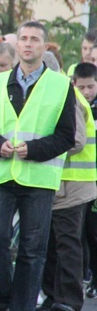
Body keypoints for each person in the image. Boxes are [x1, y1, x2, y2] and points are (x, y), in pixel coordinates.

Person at [0, 20, 76, 311]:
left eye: (35, 39)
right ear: (16, 44)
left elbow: (65, 136)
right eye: (24, 39)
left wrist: (32, 148)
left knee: (33, 247)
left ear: (44, 47)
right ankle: (2, 301)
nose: (29, 44)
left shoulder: (61, 86)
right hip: (1, 174)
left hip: (38, 178)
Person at [36, 74, 96, 311]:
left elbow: (76, 141)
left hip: (73, 183)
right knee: (51, 241)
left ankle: (70, 300)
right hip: (59, 181)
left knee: (67, 241)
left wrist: (38, 147)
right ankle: (53, 296)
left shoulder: (68, 98)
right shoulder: (60, 95)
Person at [73, 62, 97, 298]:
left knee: (94, 232)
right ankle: (83, 277)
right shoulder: (76, 105)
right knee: (80, 233)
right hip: (83, 180)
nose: (87, 92)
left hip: (91, 178)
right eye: (82, 87)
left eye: (91, 86)